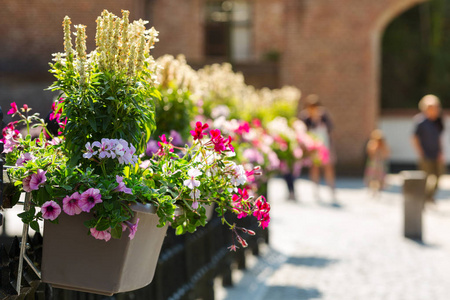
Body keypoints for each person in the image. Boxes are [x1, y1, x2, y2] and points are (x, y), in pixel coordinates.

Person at [300, 94, 336, 201]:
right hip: (312, 146)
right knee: (314, 168)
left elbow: (330, 129)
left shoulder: (323, 115)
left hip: (324, 145)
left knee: (328, 167)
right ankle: (316, 190)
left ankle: (331, 189)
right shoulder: (305, 117)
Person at [411, 94, 445, 204]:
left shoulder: (438, 121)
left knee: (439, 176)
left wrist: (441, 152)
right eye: (432, 107)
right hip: (425, 154)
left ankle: (430, 196)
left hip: (436, 154)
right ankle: (423, 198)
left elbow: (439, 138)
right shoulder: (420, 121)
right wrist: (420, 152)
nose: (434, 110)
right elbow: (414, 138)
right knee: (425, 177)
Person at [364, 129, 390, 197]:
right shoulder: (372, 144)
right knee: (372, 177)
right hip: (374, 163)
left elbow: (386, 154)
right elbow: (370, 153)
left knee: (380, 177)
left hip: (380, 163)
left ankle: (379, 190)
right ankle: (372, 190)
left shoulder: (383, 145)